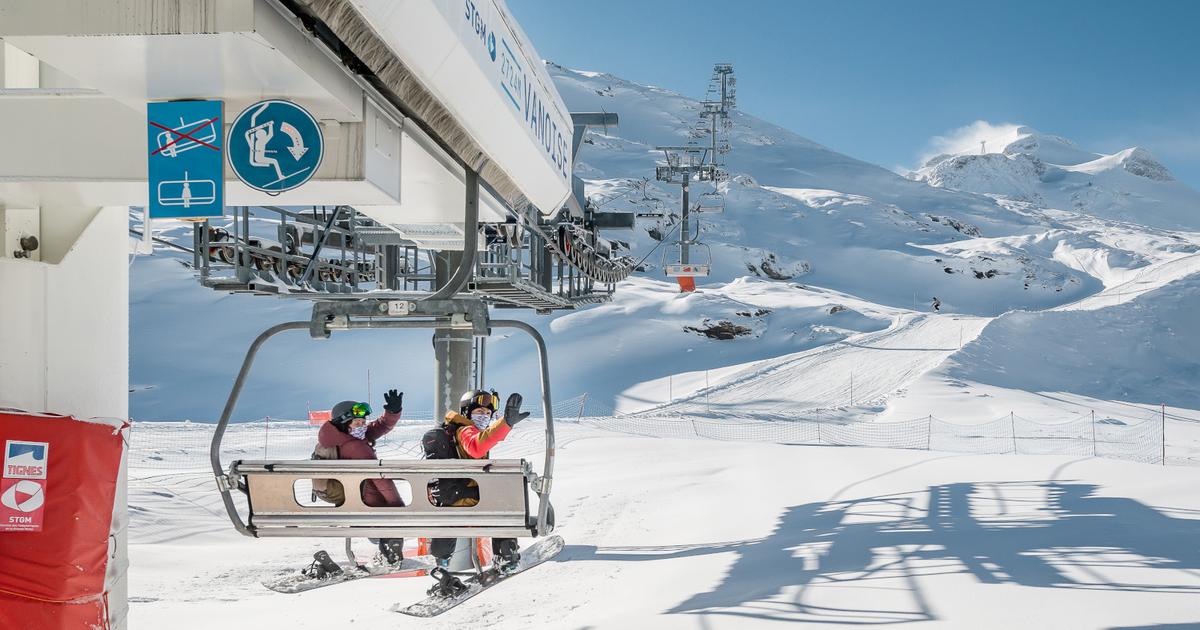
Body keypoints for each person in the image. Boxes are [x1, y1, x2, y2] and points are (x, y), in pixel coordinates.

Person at [423, 389, 530, 594]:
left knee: (496, 496)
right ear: (467, 412)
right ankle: (505, 555)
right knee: (502, 501)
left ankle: (443, 564)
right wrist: (505, 423)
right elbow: (476, 447)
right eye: (479, 411)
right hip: (466, 499)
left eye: (488, 414)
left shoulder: (456, 430)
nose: (484, 416)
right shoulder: (465, 431)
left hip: (452, 500)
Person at [312, 388, 407, 565]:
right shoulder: (356, 446)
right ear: (344, 424)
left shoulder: (336, 437)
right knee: (386, 508)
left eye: (364, 421)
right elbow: (380, 478)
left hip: (341, 493)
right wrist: (399, 508)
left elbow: (380, 426)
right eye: (357, 423)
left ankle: (381, 541)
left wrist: (391, 413)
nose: (362, 426)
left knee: (376, 507)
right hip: (357, 496)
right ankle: (390, 552)